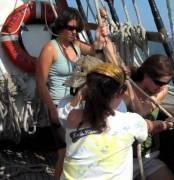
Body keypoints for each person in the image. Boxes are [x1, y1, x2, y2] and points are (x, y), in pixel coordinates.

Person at [61, 63, 172, 179]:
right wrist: (170, 123)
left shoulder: (73, 117)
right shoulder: (129, 122)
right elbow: (154, 126)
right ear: (120, 93)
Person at [35, 7, 108, 179]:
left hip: (74, 104)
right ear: (60, 26)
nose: (74, 32)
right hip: (57, 105)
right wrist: (52, 110)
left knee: (77, 148)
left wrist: (101, 28)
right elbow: (40, 83)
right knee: (64, 153)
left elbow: (96, 51)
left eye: (78, 29)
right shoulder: (50, 49)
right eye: (71, 28)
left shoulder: (75, 46)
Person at [123, 54, 174, 180]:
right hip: (123, 157)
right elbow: (140, 113)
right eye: (158, 82)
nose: (162, 86)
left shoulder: (161, 90)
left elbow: (145, 109)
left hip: (147, 157)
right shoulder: (126, 91)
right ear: (146, 74)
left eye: (166, 82)